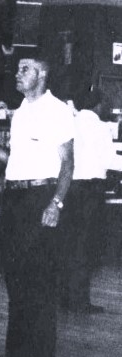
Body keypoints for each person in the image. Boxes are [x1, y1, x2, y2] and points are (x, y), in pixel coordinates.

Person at [0, 53, 74, 357]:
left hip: (42, 195)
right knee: (14, 274)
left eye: (25, 69)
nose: (17, 73)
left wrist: (56, 203)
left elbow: (67, 163)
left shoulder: (58, 111)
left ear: (42, 74)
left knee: (36, 276)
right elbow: (10, 160)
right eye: (17, 68)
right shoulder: (21, 112)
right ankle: (18, 353)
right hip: (15, 196)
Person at [58, 87, 111, 313]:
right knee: (85, 246)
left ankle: (65, 298)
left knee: (69, 243)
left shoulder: (71, 122)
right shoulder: (100, 126)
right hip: (91, 191)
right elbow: (109, 159)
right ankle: (80, 301)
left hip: (70, 188)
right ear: (99, 105)